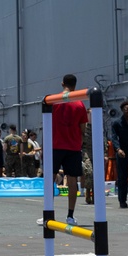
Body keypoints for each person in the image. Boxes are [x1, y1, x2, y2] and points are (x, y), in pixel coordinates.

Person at [50, 73, 88, 223]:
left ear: (62, 83)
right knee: (72, 181)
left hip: (56, 145)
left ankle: (48, 212)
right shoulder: (79, 104)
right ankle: (70, 215)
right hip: (73, 147)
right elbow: (83, 129)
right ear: (75, 85)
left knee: (50, 180)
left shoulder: (54, 101)